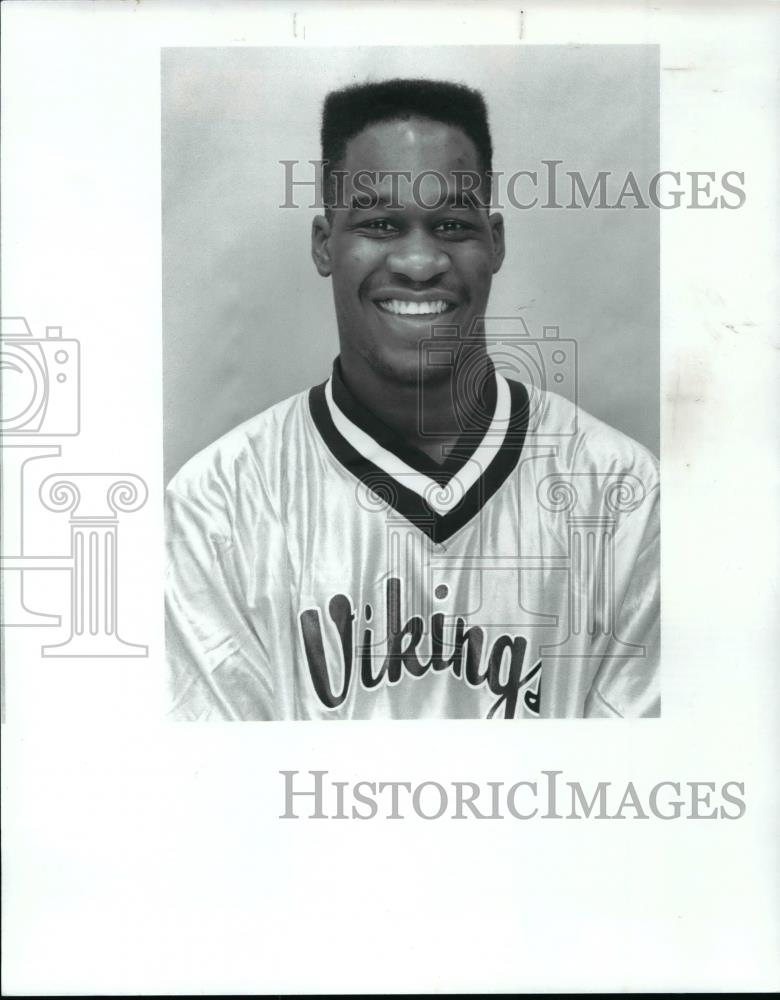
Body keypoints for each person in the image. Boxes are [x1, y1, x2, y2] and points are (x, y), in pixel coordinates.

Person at [165, 78, 659, 721]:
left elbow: (633, 797)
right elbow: (221, 798)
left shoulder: (619, 491)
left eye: (452, 224)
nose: (420, 262)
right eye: (380, 224)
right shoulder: (218, 505)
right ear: (324, 245)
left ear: (496, 243)